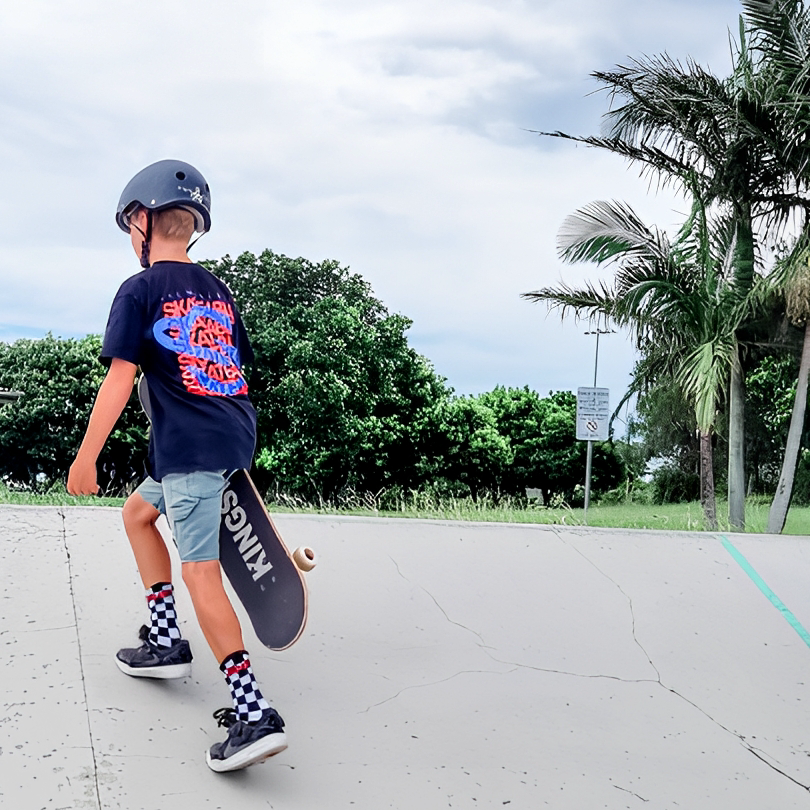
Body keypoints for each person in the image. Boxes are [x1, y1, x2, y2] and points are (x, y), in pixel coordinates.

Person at [67, 159, 286, 773]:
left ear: (141, 220)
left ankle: (253, 713)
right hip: (226, 437)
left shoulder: (137, 291)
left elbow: (120, 378)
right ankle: (165, 640)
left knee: (201, 573)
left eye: (128, 226)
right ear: (191, 225)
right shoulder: (217, 291)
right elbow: (237, 367)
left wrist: (86, 457)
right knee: (138, 515)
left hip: (191, 450)